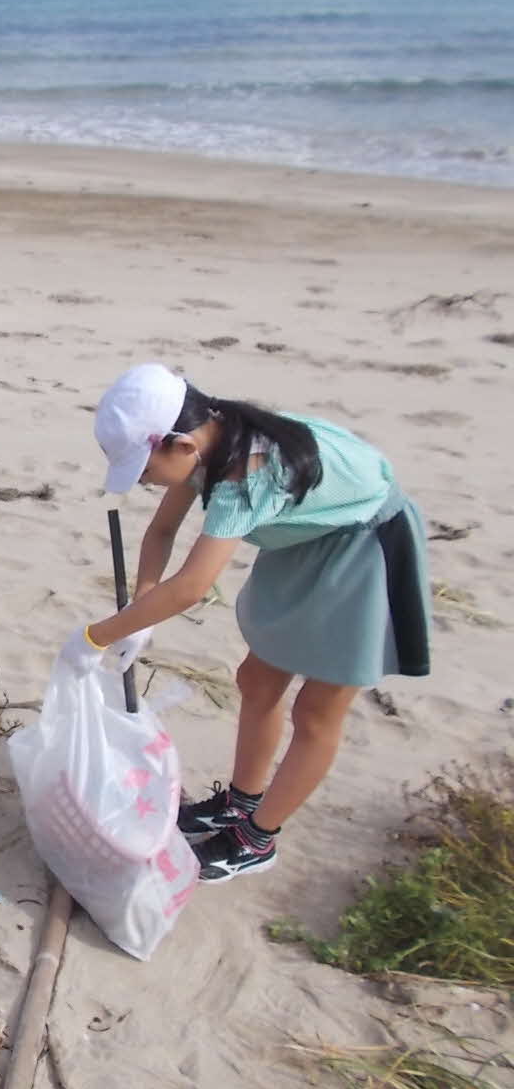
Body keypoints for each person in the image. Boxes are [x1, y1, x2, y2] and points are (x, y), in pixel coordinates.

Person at [57, 362, 430, 882]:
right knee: (256, 680)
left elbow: (191, 586)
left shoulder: (245, 475)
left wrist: (97, 636)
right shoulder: (213, 441)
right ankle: (240, 803)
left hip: (365, 549)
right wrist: (137, 611)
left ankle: (259, 839)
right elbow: (162, 532)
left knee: (318, 711)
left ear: (180, 444)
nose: (142, 479)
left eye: (143, 468)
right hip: (301, 540)